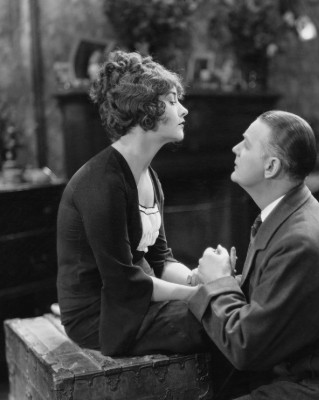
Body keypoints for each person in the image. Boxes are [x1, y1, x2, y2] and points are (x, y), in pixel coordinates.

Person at [188, 110, 319, 399]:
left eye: (246, 144)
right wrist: (230, 281)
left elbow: (247, 347)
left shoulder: (299, 238)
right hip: (308, 366)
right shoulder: (286, 212)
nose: (235, 148)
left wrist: (218, 282)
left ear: (271, 167)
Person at [56, 51, 207, 357]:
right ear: (144, 109)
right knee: (211, 321)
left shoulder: (150, 177)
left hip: (132, 296)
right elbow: (123, 282)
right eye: (172, 100)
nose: (184, 109)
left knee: (222, 312)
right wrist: (196, 295)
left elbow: (160, 259)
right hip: (99, 314)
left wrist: (197, 279)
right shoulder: (101, 182)